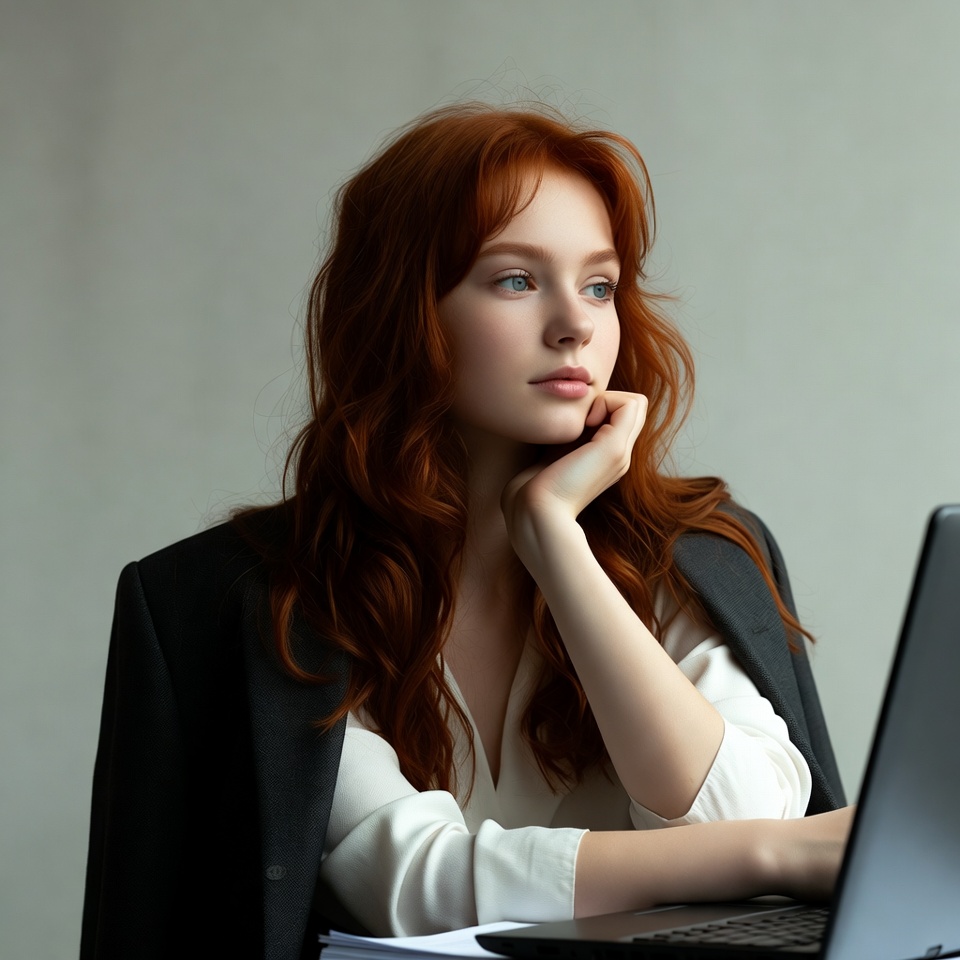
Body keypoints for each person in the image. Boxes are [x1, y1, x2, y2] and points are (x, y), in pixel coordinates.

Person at [81, 103, 849, 960]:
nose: (577, 324)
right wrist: (760, 856)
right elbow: (411, 883)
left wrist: (553, 537)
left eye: (599, 284)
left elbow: (741, 811)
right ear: (404, 312)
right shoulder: (246, 598)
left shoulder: (696, 557)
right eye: (516, 280)